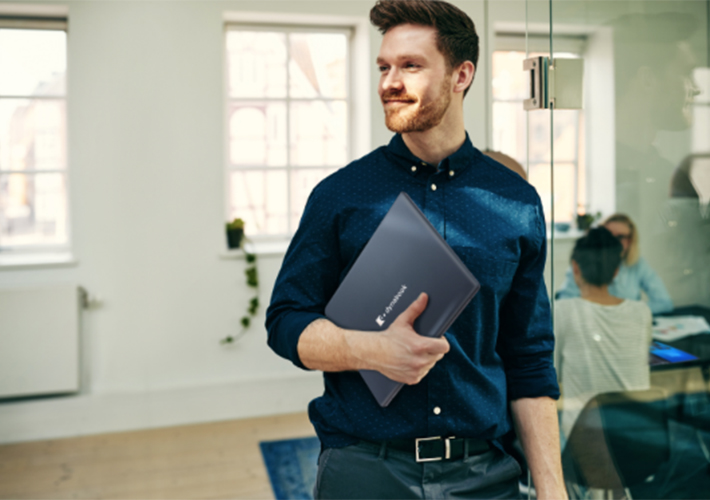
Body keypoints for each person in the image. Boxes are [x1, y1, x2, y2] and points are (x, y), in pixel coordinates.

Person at [266, 1, 566, 498]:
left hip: (484, 475)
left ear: (460, 75)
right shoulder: (341, 196)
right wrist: (372, 350)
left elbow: (529, 357)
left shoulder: (515, 202)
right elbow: (286, 322)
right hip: (364, 468)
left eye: (410, 66)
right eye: (384, 67)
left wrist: (553, 489)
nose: (389, 82)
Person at [554, 227, 652, 442]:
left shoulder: (562, 311)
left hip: (584, 444)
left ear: (575, 268)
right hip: (639, 436)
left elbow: (552, 376)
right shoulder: (641, 312)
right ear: (617, 272)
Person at [556, 213, 673, 314]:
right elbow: (565, 302)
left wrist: (629, 312)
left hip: (626, 324)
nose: (613, 241)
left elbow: (664, 301)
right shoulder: (584, 263)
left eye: (620, 236)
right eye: (608, 235)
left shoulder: (638, 264)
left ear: (630, 241)